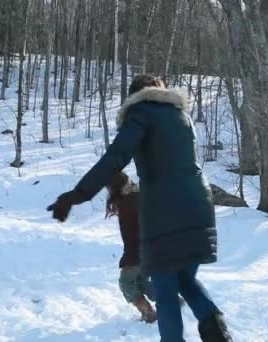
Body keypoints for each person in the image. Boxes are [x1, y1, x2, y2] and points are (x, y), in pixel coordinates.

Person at [47, 74, 232, 341]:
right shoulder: (182, 116)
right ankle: (218, 333)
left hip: (164, 211)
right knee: (185, 280)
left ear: (134, 96)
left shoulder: (140, 113)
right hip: (199, 205)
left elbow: (114, 158)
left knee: (165, 286)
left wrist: (78, 195)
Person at [105, 171, 157, 323]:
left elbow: (136, 230)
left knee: (126, 282)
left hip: (137, 251)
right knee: (141, 280)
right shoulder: (135, 197)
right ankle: (170, 299)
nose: (108, 192)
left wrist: (132, 255)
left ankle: (149, 312)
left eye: (109, 188)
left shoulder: (128, 202)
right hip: (145, 250)